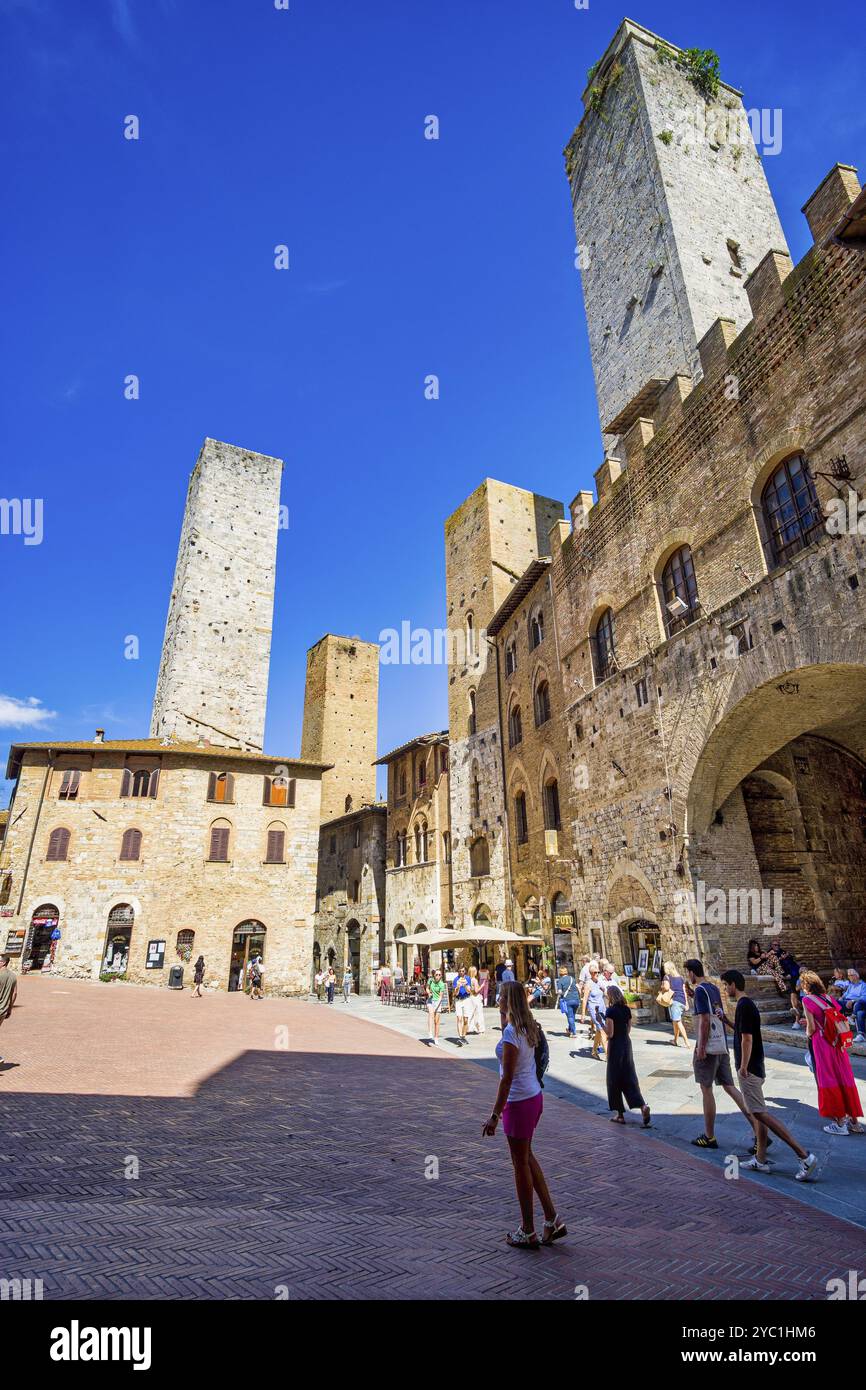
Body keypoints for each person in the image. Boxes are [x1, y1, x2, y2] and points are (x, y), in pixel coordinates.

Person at [482, 981, 566, 1250]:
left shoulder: (511, 1033)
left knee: (520, 1165)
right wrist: (505, 1012)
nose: (497, 1000)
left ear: (510, 1000)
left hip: (517, 1103)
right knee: (527, 1157)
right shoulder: (527, 1027)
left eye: (501, 997)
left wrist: (495, 1114)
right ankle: (552, 1219)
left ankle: (528, 1229)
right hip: (534, 1098)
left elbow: (506, 1079)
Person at [720, 970, 818, 1181]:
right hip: (754, 1066)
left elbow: (747, 1039)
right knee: (757, 1113)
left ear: (733, 985)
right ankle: (760, 1159)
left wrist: (744, 1066)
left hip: (750, 1068)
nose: (725, 989)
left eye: (725, 985)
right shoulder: (746, 1005)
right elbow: (741, 1031)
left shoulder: (744, 1005)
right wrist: (727, 1021)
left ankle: (804, 1155)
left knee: (761, 1114)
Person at [684, 958, 758, 1150]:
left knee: (706, 1089)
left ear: (691, 973)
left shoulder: (700, 990)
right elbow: (717, 1012)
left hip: (708, 1047)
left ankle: (709, 1136)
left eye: (688, 973)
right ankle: (759, 1129)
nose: (688, 976)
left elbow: (706, 1019)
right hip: (721, 1045)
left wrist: (701, 1046)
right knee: (730, 1087)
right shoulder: (714, 988)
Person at [800, 970, 865, 1135]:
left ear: (806, 985)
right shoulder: (828, 998)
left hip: (822, 1044)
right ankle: (854, 1122)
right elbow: (835, 1015)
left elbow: (812, 1028)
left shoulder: (807, 1000)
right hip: (837, 1043)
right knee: (844, 1077)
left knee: (828, 1078)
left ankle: (840, 1123)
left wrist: (807, 1031)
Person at [604, 985, 651, 1126]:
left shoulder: (610, 1011)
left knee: (614, 1079)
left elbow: (610, 1033)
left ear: (610, 996)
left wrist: (602, 1025)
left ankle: (619, 1115)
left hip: (615, 1046)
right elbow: (628, 1028)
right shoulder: (626, 1009)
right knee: (629, 1076)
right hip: (626, 1044)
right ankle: (642, 1105)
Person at [660, 960, 689, 1048]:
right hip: (682, 1000)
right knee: (675, 1021)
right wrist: (686, 1003)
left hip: (674, 1001)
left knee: (678, 1022)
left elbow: (666, 987)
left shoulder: (667, 977)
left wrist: (662, 987)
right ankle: (675, 1040)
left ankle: (687, 1042)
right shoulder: (680, 977)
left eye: (664, 967)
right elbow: (684, 990)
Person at [581, 965, 607, 1060]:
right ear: (590, 974)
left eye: (598, 972)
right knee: (603, 1031)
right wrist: (583, 1014)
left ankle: (594, 1051)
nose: (596, 974)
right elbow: (584, 1000)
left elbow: (605, 993)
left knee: (599, 1032)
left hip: (602, 1009)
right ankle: (608, 1056)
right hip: (594, 1010)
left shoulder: (599, 982)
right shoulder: (588, 984)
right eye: (594, 972)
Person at [839, 968, 866, 1044]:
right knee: (835, 1003)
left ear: (857, 976)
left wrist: (853, 1000)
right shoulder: (850, 986)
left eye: (851, 975)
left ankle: (852, 1018)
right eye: (848, 976)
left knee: (859, 1010)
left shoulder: (863, 985)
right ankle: (837, 1029)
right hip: (847, 1002)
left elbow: (864, 997)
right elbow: (845, 995)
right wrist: (841, 998)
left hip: (857, 1003)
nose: (849, 977)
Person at [0, 954, 17, 1064]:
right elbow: (15, 993)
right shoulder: (13, 976)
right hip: (3, 1010)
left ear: (4, 962)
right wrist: (10, 1008)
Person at [554, 966, 580, 1039]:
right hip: (576, 999)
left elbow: (559, 991)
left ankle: (573, 1033)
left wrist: (560, 994)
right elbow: (577, 987)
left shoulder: (560, 980)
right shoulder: (572, 978)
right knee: (572, 1016)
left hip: (568, 1000)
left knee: (570, 1016)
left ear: (560, 973)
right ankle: (570, 1029)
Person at [453, 963, 473, 1045]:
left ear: (465, 972)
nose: (461, 972)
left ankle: (463, 1036)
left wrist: (465, 985)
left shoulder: (468, 978)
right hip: (458, 1000)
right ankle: (460, 1036)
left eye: (463, 971)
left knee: (466, 1020)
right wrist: (457, 987)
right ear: (458, 971)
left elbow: (469, 991)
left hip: (466, 999)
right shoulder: (455, 979)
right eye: (460, 971)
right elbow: (455, 994)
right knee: (459, 1019)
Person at [426, 967, 446, 1045]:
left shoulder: (441, 984)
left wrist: (437, 1006)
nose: (438, 976)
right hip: (430, 1000)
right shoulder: (430, 980)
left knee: (436, 1021)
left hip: (438, 1002)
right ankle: (430, 1032)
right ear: (434, 975)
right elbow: (427, 988)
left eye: (439, 975)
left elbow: (441, 997)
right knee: (431, 1014)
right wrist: (429, 993)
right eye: (436, 974)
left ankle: (436, 1037)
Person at [468, 965, 486, 1035]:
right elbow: (476, 990)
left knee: (471, 1014)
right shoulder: (474, 980)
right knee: (478, 1014)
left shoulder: (468, 980)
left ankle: (471, 1028)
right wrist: (482, 986)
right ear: (474, 972)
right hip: (476, 998)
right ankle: (480, 1029)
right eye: (475, 971)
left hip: (470, 998)